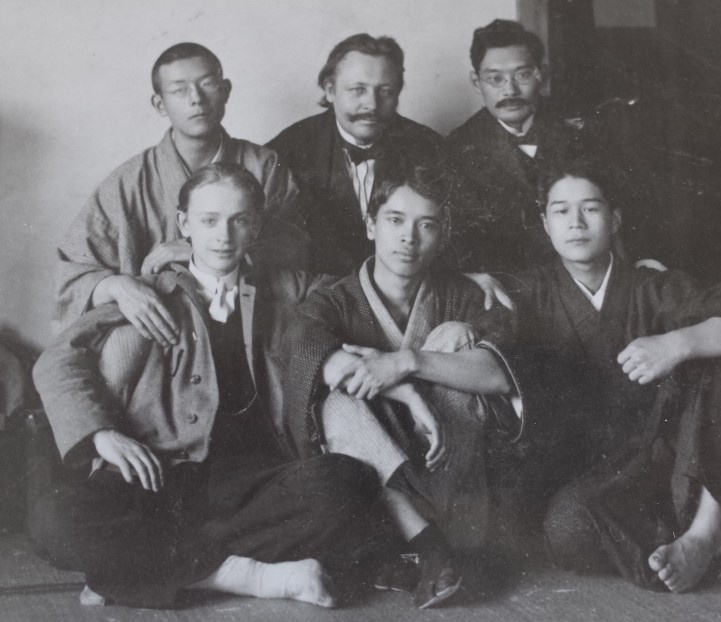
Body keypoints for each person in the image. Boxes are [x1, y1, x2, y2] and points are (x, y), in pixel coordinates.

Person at [31, 164, 379, 609]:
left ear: (257, 227)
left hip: (252, 481)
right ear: (184, 224)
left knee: (347, 484)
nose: (223, 236)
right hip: (159, 474)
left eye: (239, 220)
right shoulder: (151, 293)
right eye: (209, 220)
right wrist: (101, 435)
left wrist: (461, 286)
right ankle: (246, 575)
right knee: (52, 520)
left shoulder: (287, 289)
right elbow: (57, 358)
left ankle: (133, 572)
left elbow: (363, 294)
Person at [501, 160, 721, 593]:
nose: (576, 223)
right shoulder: (527, 292)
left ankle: (706, 529)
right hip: (604, 471)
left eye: (591, 208)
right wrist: (461, 323)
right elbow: (488, 336)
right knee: (566, 527)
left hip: (679, 449)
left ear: (615, 219)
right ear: (545, 223)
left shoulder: (652, 286)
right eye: (561, 210)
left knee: (719, 353)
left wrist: (679, 342)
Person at [280, 164, 518, 608]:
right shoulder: (335, 300)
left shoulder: (464, 295)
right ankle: (428, 547)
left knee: (457, 343)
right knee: (334, 399)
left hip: (452, 481)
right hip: (377, 490)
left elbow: (499, 373)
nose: (409, 238)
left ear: (442, 235)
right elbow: (306, 349)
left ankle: (431, 546)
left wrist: (408, 362)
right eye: (394, 220)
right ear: (371, 225)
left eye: (426, 225)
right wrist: (405, 393)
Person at [56, 42, 305, 343]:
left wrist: (200, 252)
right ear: (160, 104)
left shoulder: (265, 166)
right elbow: (72, 275)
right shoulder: (128, 182)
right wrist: (116, 287)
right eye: (179, 90)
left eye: (207, 84)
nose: (196, 99)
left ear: (226, 91)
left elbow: (296, 251)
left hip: (254, 330)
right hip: (160, 339)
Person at [266, 34, 446, 276]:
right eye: (358, 90)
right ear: (330, 90)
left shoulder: (430, 148)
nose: (371, 105)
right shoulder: (286, 150)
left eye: (385, 91)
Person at [446, 19, 582, 272]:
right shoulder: (458, 149)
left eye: (522, 75)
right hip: (507, 281)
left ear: (542, 74)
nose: (510, 90)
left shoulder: (580, 132)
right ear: (476, 82)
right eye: (495, 78)